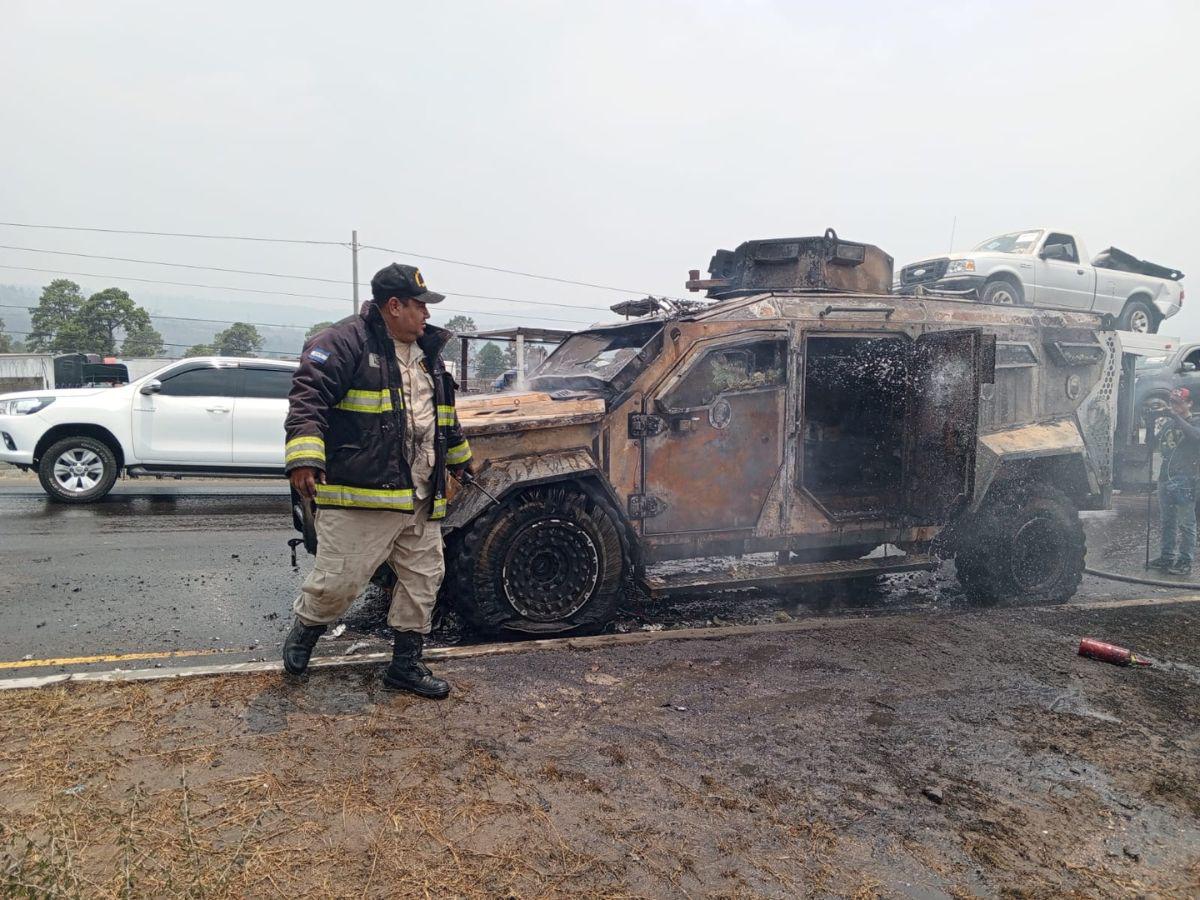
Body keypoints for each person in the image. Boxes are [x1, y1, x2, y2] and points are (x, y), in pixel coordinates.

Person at [282, 263, 473, 697]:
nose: (426, 315)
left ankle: (405, 666)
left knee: (423, 580)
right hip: (362, 494)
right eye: (419, 306)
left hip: (420, 495)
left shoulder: (428, 352)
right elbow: (307, 399)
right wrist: (304, 457)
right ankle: (306, 630)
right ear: (394, 305)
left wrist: (460, 461)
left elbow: (443, 418)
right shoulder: (344, 341)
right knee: (338, 583)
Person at [1148, 387, 1200, 576]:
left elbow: (1196, 437)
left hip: (1186, 479)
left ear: (1189, 403)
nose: (1174, 406)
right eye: (1172, 402)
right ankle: (1166, 556)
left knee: (1187, 523)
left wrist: (1176, 418)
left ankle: (1185, 560)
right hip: (1165, 478)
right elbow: (1152, 444)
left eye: (1178, 403)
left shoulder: (1195, 421)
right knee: (1167, 521)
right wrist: (1150, 420)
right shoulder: (1168, 425)